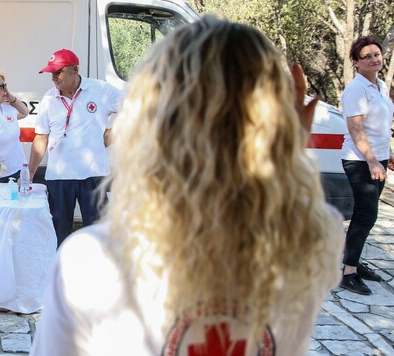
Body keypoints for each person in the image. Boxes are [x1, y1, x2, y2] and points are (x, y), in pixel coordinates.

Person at [31, 17, 344, 355]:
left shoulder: (90, 259)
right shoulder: (316, 235)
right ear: (277, 121)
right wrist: (286, 149)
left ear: (153, 122)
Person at [29, 49, 124, 246]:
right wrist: (30, 174)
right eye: (52, 73)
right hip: (59, 177)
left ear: (75, 69)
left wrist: (116, 131)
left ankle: (96, 271)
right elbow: (41, 138)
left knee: (97, 232)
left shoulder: (100, 90)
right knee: (58, 232)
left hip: (93, 175)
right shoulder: (48, 99)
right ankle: (57, 273)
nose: (54, 77)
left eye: (59, 72)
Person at [339, 37, 394, 295]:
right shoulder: (356, 90)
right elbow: (355, 129)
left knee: (366, 216)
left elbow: (381, 126)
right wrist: (373, 161)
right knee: (366, 215)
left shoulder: (380, 86)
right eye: (367, 56)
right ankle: (348, 273)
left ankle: (354, 261)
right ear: (355, 62)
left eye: (377, 54)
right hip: (360, 160)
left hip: (379, 158)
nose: (374, 59)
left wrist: (389, 154)